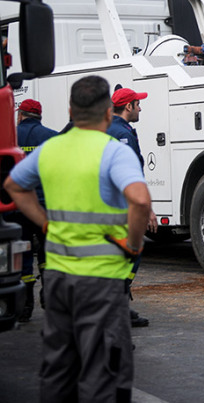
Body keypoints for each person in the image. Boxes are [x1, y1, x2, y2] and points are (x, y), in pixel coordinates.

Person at [4, 75, 152, 402]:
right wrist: (133, 244)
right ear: (107, 113)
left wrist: (45, 223)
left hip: (58, 278)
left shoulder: (51, 149)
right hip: (102, 279)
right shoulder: (114, 152)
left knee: (59, 367)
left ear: (71, 110)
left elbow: (14, 186)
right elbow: (140, 201)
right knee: (103, 371)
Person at [107, 86, 157, 328]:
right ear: (128, 106)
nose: (140, 108)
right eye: (138, 104)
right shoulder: (122, 134)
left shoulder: (108, 128)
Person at [8, 99, 58, 321]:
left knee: (23, 255)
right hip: (45, 208)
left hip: (18, 209)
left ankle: (25, 306)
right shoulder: (52, 138)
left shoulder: (10, 138)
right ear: (40, 116)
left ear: (20, 115)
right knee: (49, 255)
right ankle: (49, 297)